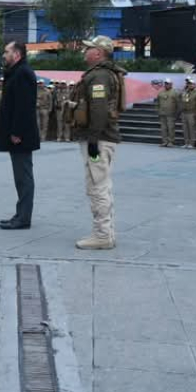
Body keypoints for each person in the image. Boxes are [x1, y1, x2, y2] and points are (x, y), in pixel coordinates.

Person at [71, 36, 127, 250]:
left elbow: (99, 108)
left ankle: (102, 235)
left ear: (99, 53)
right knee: (102, 184)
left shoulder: (100, 76)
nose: (85, 52)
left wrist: (93, 138)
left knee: (97, 185)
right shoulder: (104, 74)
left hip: (98, 140)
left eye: (89, 49)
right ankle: (106, 232)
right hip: (102, 137)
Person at [0, 41, 40, 230]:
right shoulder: (17, 72)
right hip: (17, 134)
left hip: (20, 135)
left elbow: (24, 106)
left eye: (7, 52)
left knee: (23, 176)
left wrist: (16, 132)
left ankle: (23, 218)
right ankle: (21, 214)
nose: (4, 55)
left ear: (17, 54)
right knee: (20, 176)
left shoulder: (22, 73)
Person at [156, 79, 180, 147]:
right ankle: (164, 141)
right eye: (166, 83)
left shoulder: (175, 92)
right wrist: (158, 111)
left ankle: (171, 142)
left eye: (168, 83)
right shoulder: (160, 93)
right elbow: (158, 103)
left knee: (171, 128)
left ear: (171, 84)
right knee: (163, 128)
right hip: (162, 114)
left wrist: (177, 114)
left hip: (171, 114)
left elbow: (178, 104)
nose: (167, 85)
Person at [179, 76, 196, 148]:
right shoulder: (185, 92)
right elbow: (181, 100)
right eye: (189, 84)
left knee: (192, 129)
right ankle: (186, 142)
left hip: (192, 113)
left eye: (191, 84)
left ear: (194, 85)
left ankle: (191, 143)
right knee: (185, 129)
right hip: (184, 113)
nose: (190, 85)